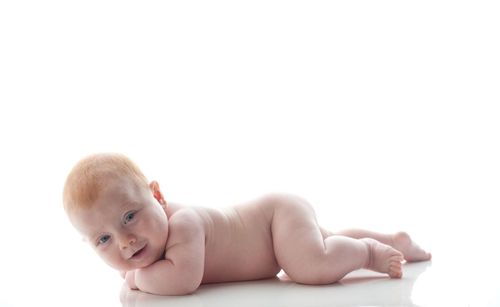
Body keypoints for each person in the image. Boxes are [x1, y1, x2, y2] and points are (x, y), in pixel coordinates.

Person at [63, 153, 431, 296]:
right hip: (274, 234)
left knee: (311, 264)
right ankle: (393, 238)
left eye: (130, 217)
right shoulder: (153, 243)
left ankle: (368, 252)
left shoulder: (185, 224)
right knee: (323, 242)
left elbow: (183, 280)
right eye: (104, 239)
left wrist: (134, 278)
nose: (125, 241)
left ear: (157, 197)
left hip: (274, 219)